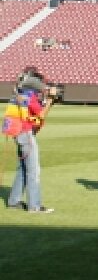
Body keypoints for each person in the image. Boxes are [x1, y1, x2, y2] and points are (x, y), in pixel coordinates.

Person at [5, 72, 55, 213]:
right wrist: (50, 100)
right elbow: (41, 114)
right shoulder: (30, 95)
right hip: (26, 134)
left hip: (18, 134)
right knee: (33, 171)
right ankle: (35, 206)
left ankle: (14, 201)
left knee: (22, 170)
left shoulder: (20, 94)